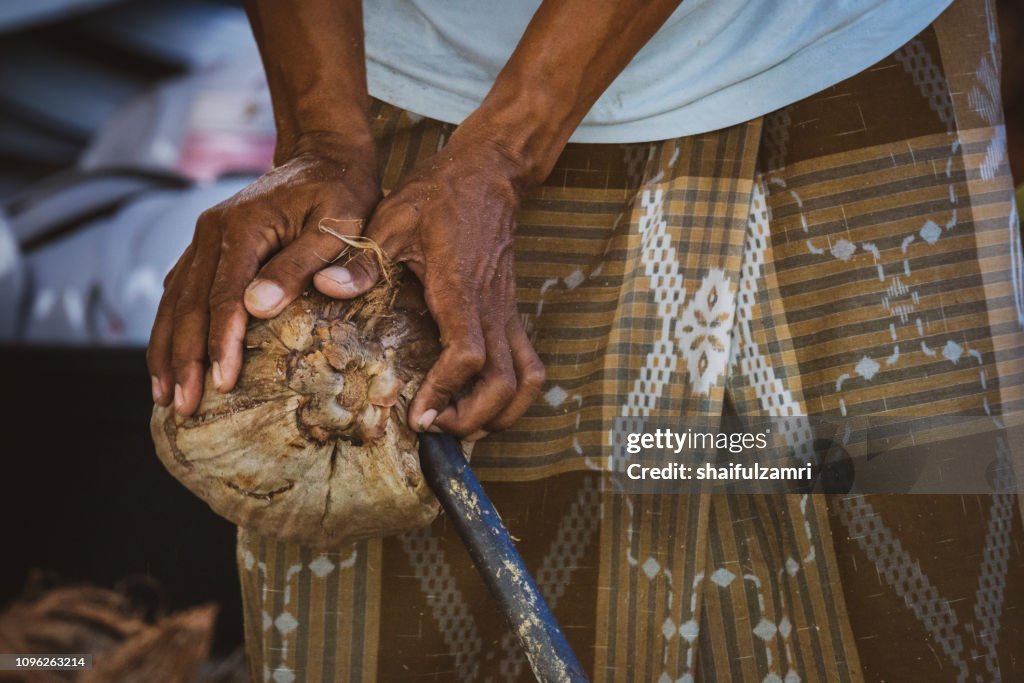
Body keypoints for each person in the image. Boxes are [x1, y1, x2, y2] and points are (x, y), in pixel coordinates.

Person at [150, 0, 1024, 680]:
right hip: (414, 77)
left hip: (818, 57)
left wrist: (503, 154)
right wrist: (321, 135)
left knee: (881, 566)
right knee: (413, 619)